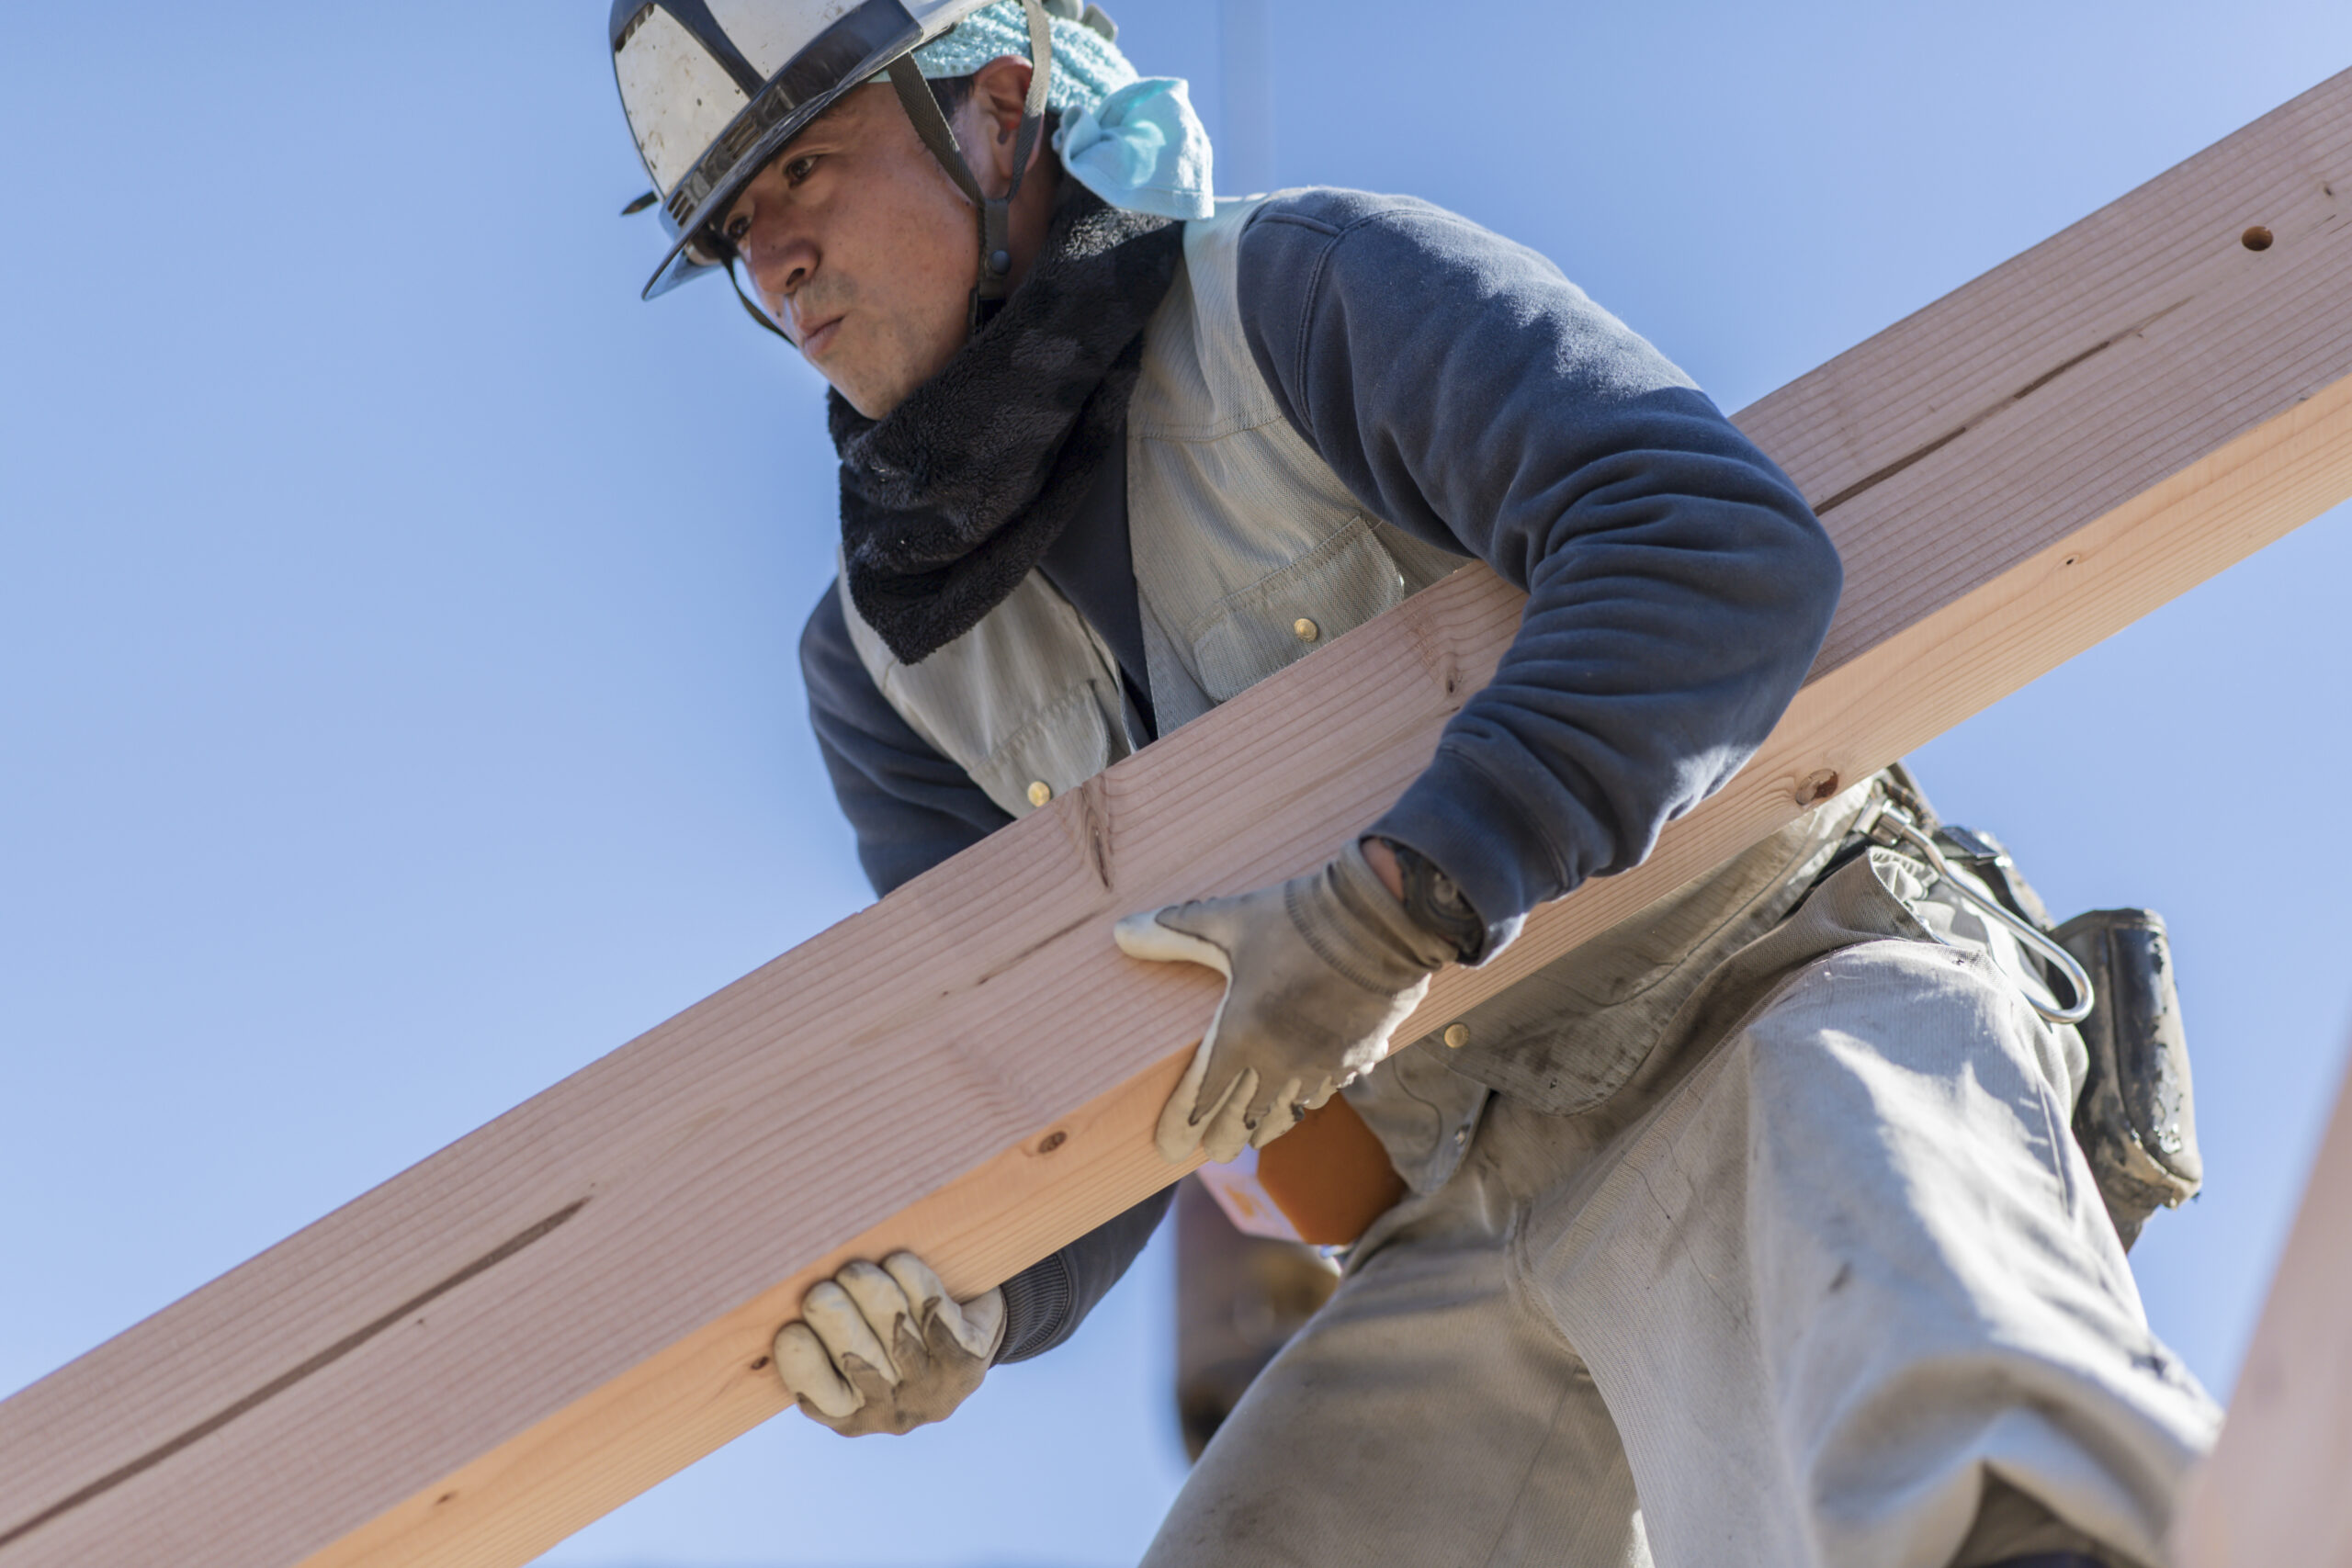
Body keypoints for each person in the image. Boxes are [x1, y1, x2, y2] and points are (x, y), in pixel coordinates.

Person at [605, 4, 2219, 1562]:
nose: (773, 257)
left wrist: (1400, 901)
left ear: (1002, 106)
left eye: (804, 168)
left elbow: (1712, 550)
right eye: (734, 228)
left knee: (1969, 1457)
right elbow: (1069, 1080)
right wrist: (978, 1296)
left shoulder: (1299, 298)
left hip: (1769, 987)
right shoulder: (889, 668)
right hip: (1461, 1207)